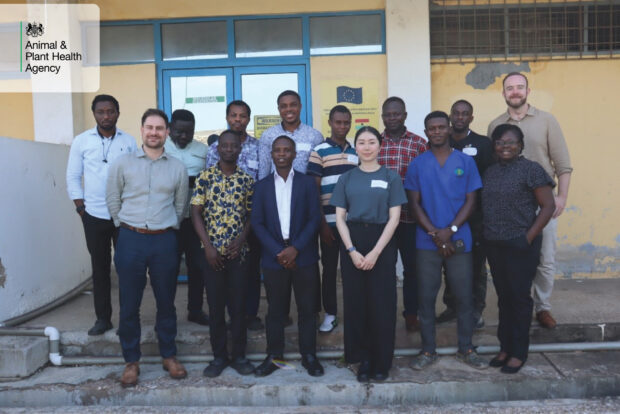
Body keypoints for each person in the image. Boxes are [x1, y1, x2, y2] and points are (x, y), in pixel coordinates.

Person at [106, 109, 188, 388]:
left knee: (166, 302)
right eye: (149, 127)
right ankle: (131, 361)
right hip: (130, 239)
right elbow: (112, 199)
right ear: (141, 130)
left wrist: (167, 226)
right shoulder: (122, 163)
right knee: (129, 304)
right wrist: (123, 225)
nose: (154, 132)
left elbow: (181, 205)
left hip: (164, 241)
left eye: (160, 128)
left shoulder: (177, 167)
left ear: (166, 132)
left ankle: (169, 355)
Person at [488, 72, 572, 329]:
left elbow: (563, 164)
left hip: (543, 202)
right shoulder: (495, 126)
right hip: (511, 206)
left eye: (519, 87)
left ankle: (543, 307)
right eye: (510, 88)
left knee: (545, 258)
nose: (515, 92)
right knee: (514, 257)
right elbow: (495, 165)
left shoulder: (546, 121)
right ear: (503, 93)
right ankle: (517, 302)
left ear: (527, 91)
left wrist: (561, 198)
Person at [405, 111, 487, 371]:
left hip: (459, 239)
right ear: (426, 132)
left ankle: (466, 348)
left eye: (442, 127)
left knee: (464, 296)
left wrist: (449, 231)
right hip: (427, 241)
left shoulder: (465, 161)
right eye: (432, 128)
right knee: (426, 298)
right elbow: (413, 204)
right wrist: (435, 234)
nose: (437, 131)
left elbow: (472, 201)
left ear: (450, 129)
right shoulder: (418, 164)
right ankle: (428, 350)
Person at [330, 126, 404, 382]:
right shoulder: (346, 178)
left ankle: (382, 361)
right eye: (361, 142)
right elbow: (339, 218)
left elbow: (394, 218)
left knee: (382, 304)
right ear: (356, 147)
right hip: (352, 241)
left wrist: (374, 253)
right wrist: (351, 250)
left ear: (380, 146)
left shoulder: (391, 177)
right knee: (356, 304)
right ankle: (362, 360)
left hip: (381, 242)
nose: (367, 147)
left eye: (372, 142)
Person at [483, 124, 555, 373]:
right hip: (495, 244)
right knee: (504, 298)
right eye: (500, 142)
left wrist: (528, 237)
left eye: (511, 142)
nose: (505, 147)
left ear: (521, 145)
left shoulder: (531, 170)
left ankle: (518, 351)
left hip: (521, 244)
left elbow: (548, 206)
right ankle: (505, 347)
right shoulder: (490, 172)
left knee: (519, 298)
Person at [251, 136, 323, 378]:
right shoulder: (260, 186)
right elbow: (257, 223)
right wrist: (278, 251)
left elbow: (314, 218)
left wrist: (296, 248)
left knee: (307, 309)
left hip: (303, 255)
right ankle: (274, 356)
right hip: (274, 257)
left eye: (287, 150)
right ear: (271, 154)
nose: (282, 154)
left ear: (294, 154)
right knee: (276, 311)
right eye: (277, 150)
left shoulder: (306, 184)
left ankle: (309, 355)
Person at [66, 94, 137, 336]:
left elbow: (135, 177)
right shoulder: (81, 141)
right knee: (100, 268)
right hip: (93, 215)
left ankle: (127, 320)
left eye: (110, 111)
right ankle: (103, 319)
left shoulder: (128, 142)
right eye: (101, 112)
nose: (106, 116)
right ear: (94, 114)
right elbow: (73, 177)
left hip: (123, 215)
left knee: (126, 267)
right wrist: (81, 209)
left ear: (118, 112)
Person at [191, 130, 255, 378]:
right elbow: (196, 213)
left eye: (234, 145)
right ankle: (218, 357)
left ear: (240, 149)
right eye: (224, 146)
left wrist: (241, 240)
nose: (229, 149)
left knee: (238, 308)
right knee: (216, 308)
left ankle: (239, 356)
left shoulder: (247, 180)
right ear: (217, 149)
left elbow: (251, 215)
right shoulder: (205, 178)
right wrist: (207, 247)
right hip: (212, 255)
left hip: (238, 254)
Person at [206, 100, 263, 331]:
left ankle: (250, 314)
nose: (237, 119)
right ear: (227, 117)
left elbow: (263, 179)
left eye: (242, 116)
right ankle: (232, 315)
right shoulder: (214, 149)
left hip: (252, 218)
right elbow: (210, 187)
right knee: (227, 268)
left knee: (251, 268)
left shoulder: (258, 147)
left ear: (248, 119)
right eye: (233, 115)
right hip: (223, 222)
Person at [437, 100, 494, 329]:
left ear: (471, 117)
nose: (460, 117)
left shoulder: (483, 143)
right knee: (449, 262)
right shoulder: (441, 141)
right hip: (446, 215)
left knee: (476, 265)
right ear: (451, 116)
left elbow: (490, 179)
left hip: (476, 216)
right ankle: (452, 306)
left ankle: (475, 310)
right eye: (456, 113)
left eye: (465, 114)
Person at [307, 105, 358, 333]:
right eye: (338, 122)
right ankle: (330, 313)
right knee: (328, 270)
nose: (342, 126)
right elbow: (313, 191)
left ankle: (354, 312)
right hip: (328, 224)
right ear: (330, 122)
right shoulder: (319, 151)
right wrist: (321, 225)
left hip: (352, 223)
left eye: (346, 122)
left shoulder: (356, 152)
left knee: (352, 270)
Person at [378, 96, 427, 332]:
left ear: (405, 115)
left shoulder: (419, 144)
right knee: (385, 270)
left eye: (396, 114)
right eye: (388, 114)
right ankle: (385, 312)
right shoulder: (374, 142)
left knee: (412, 269)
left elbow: (425, 183)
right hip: (383, 220)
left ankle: (411, 313)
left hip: (410, 219)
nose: (392, 118)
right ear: (382, 117)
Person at [164, 109, 209, 326]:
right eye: (179, 132)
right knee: (168, 267)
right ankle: (167, 311)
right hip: (169, 219)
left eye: (189, 132)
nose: (183, 137)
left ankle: (195, 310)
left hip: (196, 220)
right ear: (170, 129)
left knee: (197, 266)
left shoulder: (204, 150)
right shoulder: (160, 148)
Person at [258, 90, 323, 179]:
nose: (288, 109)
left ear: (300, 106)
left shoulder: (315, 136)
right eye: (284, 106)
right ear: (279, 109)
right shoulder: (268, 135)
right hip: (275, 190)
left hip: (305, 190)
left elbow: (318, 172)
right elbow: (264, 170)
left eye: (293, 105)